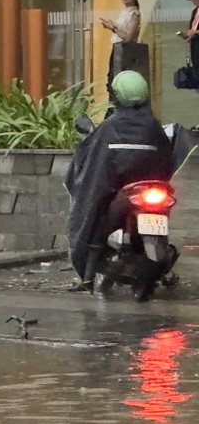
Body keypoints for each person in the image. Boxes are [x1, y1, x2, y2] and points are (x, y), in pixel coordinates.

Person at [66, 69, 174, 288]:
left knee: (92, 214)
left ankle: (87, 273)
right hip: (153, 191)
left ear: (116, 95)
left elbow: (93, 166)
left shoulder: (110, 127)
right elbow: (167, 159)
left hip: (121, 191)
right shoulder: (153, 127)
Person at [100, 0, 145, 82]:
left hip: (126, 51)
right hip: (117, 48)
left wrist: (113, 28)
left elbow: (128, 37)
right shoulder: (124, 12)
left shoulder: (134, 14)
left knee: (119, 78)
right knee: (112, 77)